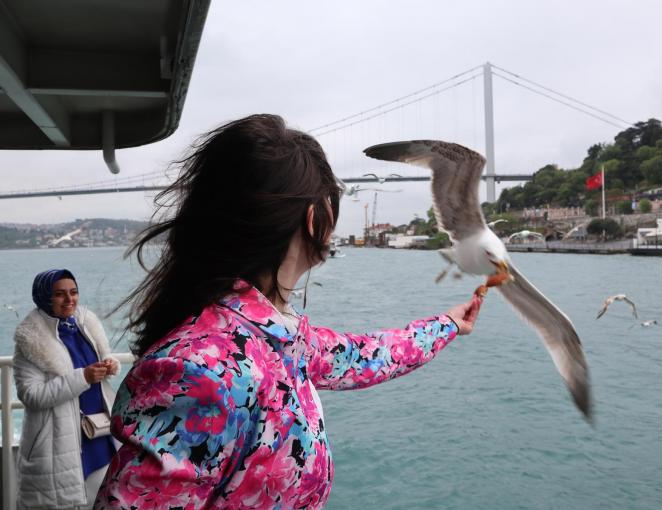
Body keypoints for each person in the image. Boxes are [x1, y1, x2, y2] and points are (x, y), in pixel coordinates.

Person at [95, 114, 482, 509]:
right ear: (315, 217)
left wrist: (448, 324)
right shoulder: (201, 371)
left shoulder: (276, 335)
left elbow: (365, 356)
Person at [13, 269, 120, 509]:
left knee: (103, 499)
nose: (69, 299)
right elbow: (31, 395)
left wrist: (109, 364)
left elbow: (100, 356)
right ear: (44, 297)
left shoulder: (83, 324)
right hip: (58, 441)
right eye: (60, 294)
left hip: (98, 433)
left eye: (73, 292)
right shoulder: (31, 338)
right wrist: (83, 376)